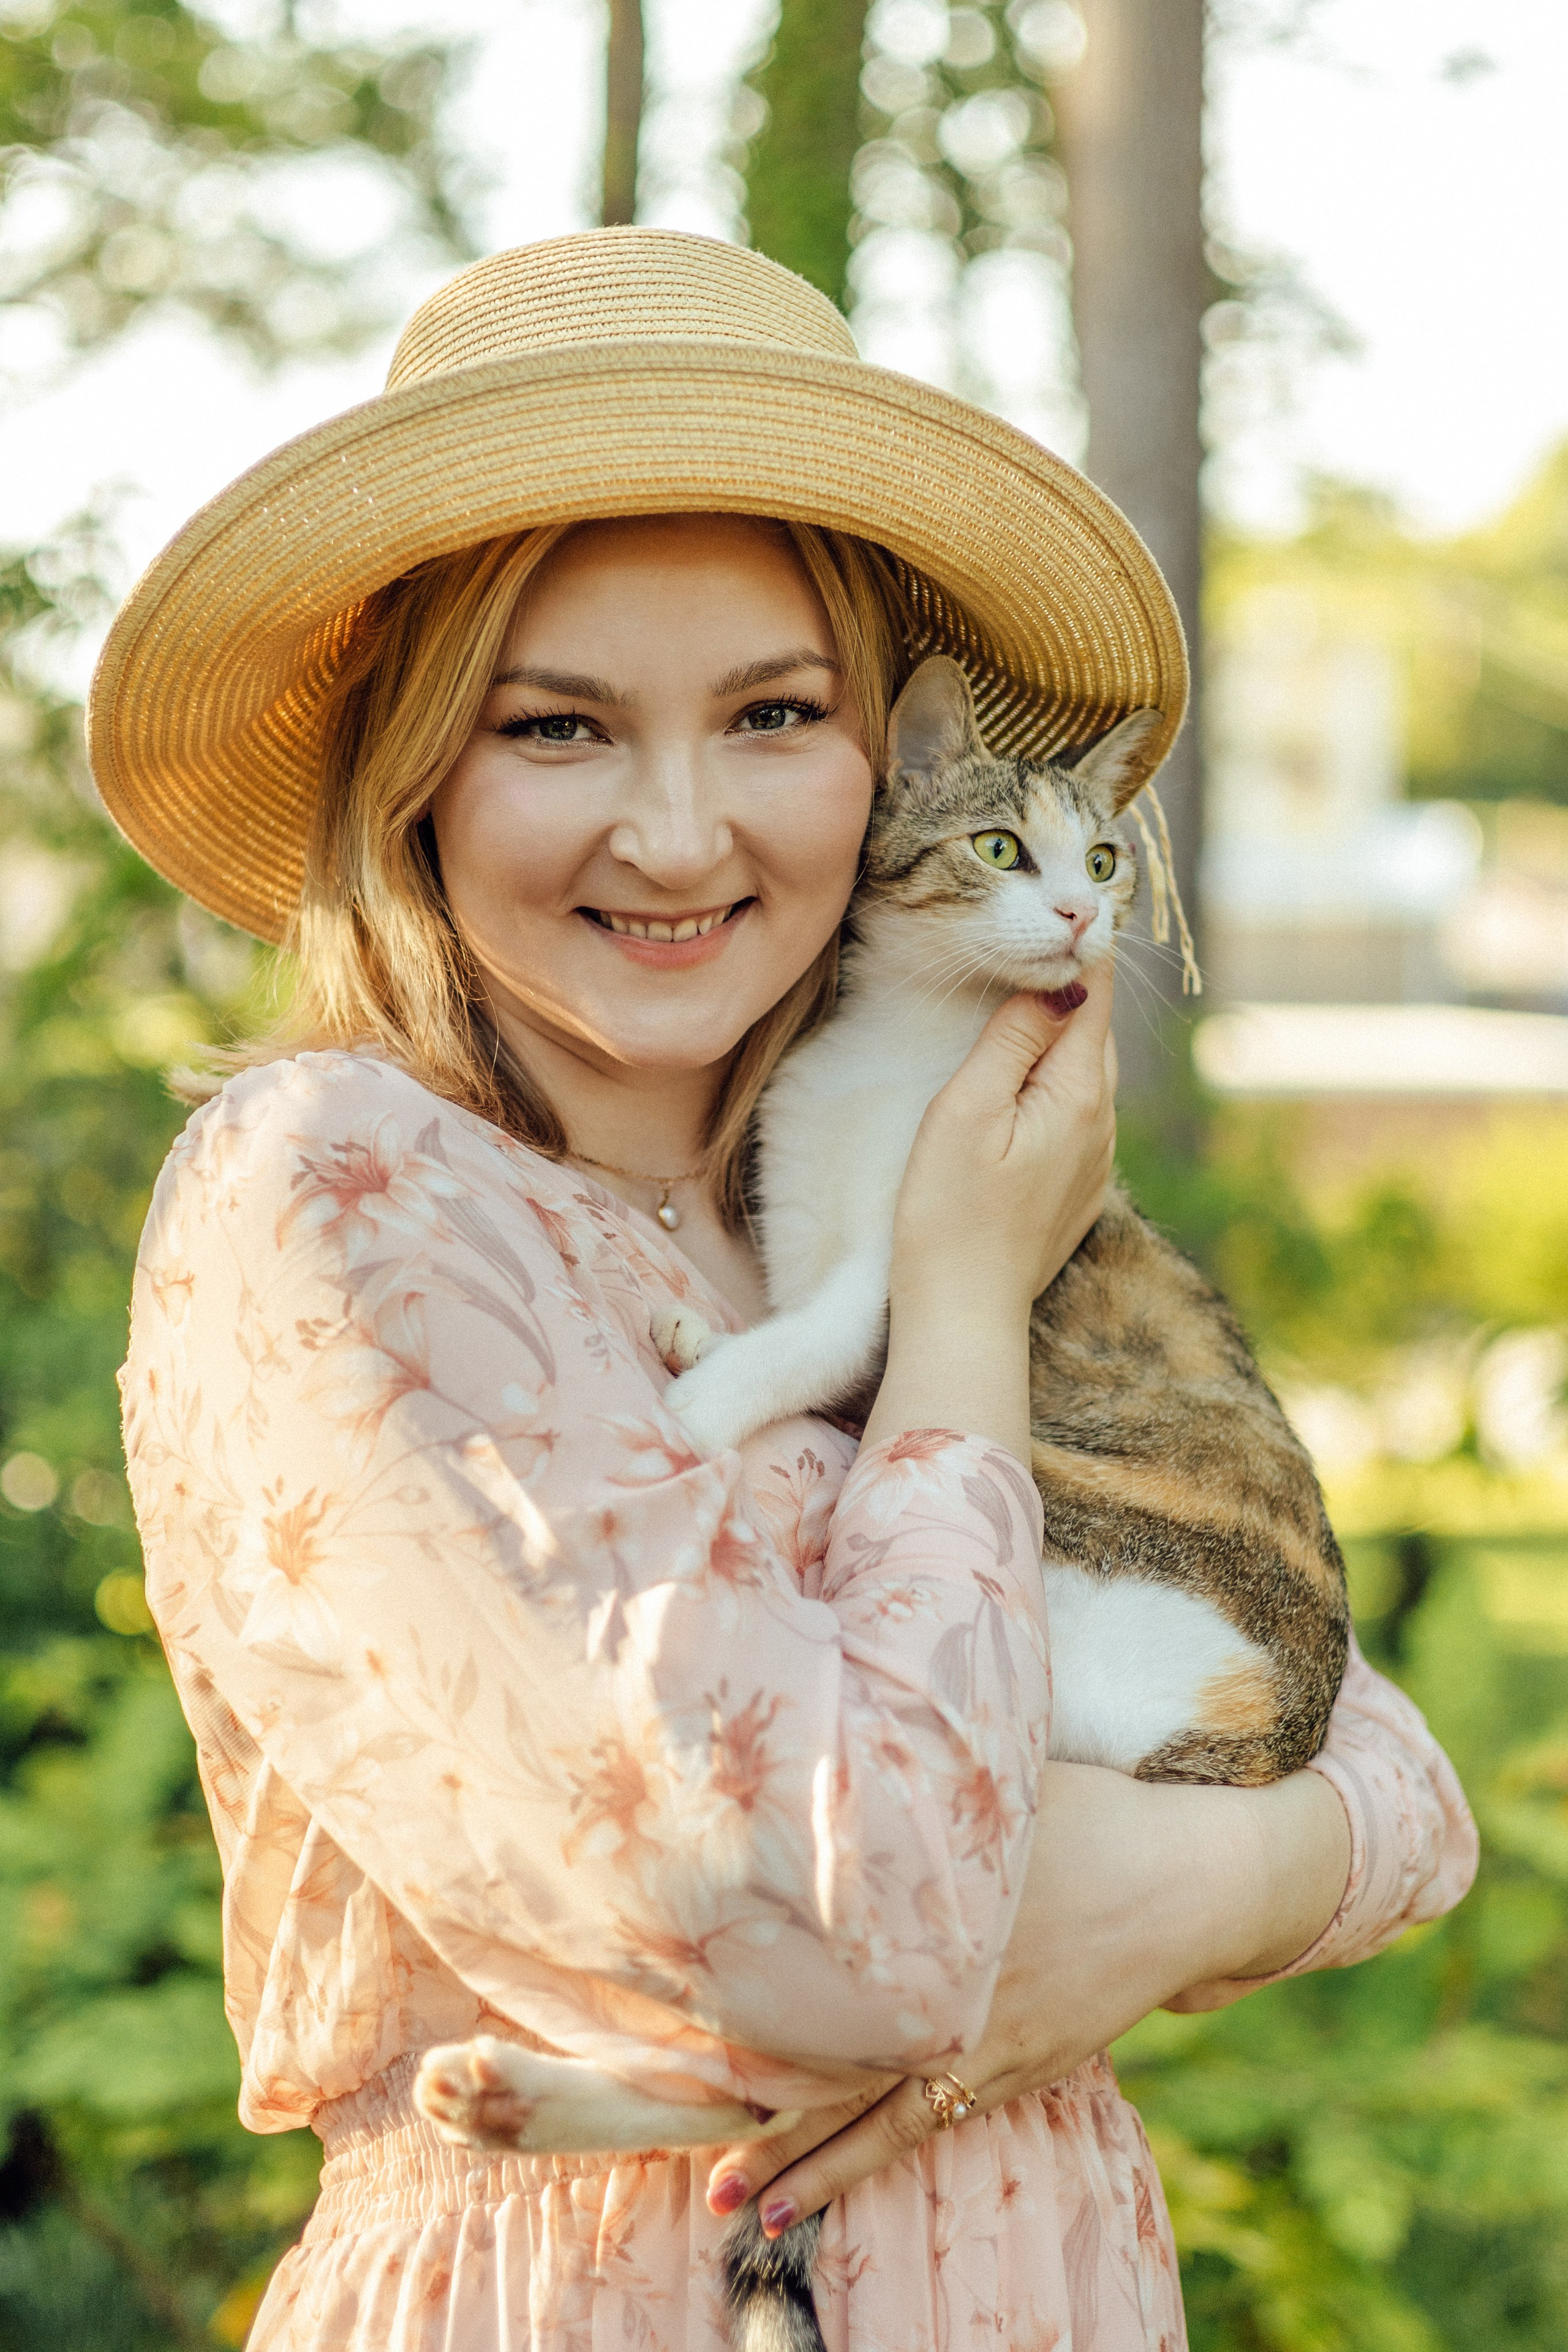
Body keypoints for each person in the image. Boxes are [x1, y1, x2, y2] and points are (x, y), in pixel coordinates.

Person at [100, 232, 1476, 2351]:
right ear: (413, 770)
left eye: (773, 714)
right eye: (557, 726)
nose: (678, 833)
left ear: (887, 765)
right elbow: (850, 1937)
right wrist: (951, 1305)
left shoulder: (818, 1183)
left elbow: (1392, 1773)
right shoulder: (347, 1190)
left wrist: (1194, 1884)